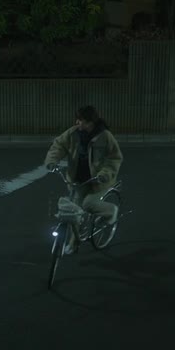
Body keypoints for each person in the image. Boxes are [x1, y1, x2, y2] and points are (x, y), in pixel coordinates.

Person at [44, 105, 123, 254]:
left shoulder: (105, 136)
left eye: (80, 120)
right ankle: (74, 243)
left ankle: (111, 211)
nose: (77, 123)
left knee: (88, 204)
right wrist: (52, 161)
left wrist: (105, 173)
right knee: (74, 213)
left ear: (90, 122)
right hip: (78, 180)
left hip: (99, 181)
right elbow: (58, 146)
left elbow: (114, 158)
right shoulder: (73, 133)